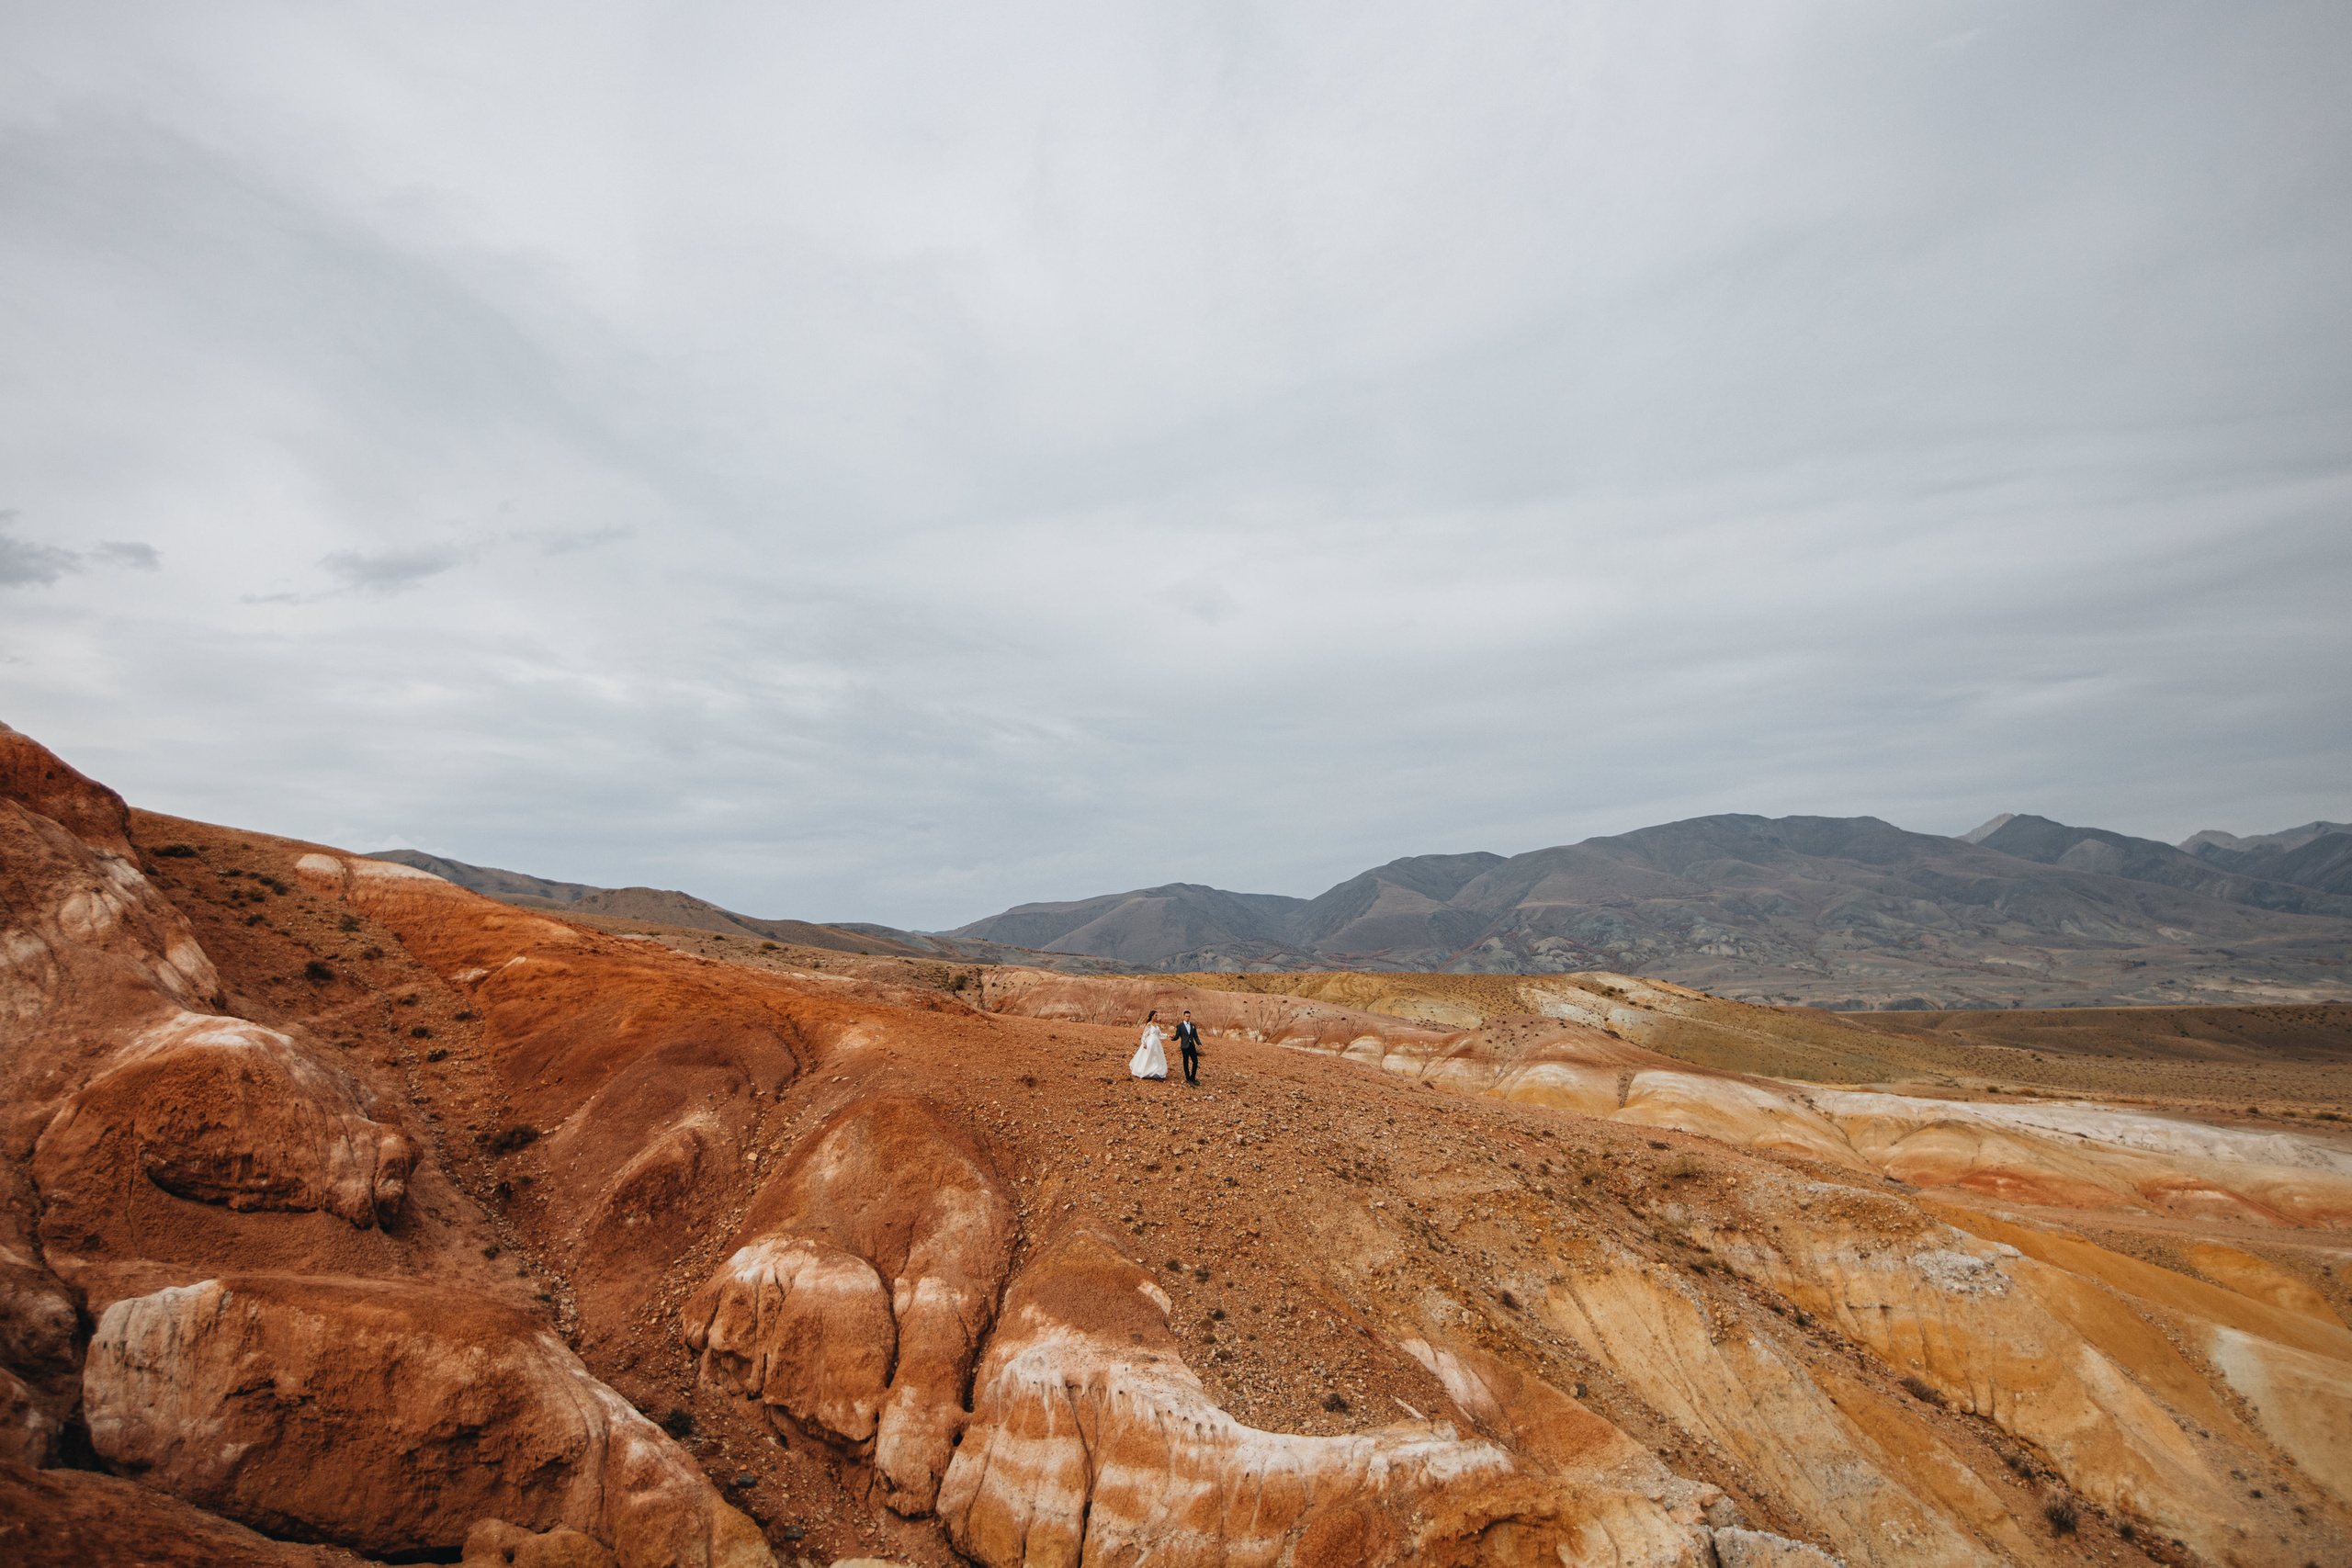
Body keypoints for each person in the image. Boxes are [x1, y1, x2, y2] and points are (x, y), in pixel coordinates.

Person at [1129, 1010, 1169, 1080]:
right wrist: (1144, 1043)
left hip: (1156, 1043)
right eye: (1156, 1015)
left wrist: (1167, 1035)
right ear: (1152, 1016)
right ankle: (1146, 1071)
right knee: (1149, 1056)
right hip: (1150, 1042)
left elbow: (1159, 1034)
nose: (1157, 1017)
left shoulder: (1156, 1025)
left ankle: (1156, 1071)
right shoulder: (1149, 1024)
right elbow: (1144, 1035)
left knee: (1157, 1057)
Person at [1173, 1010, 1203, 1086]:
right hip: (1184, 1046)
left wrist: (1199, 1044)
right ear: (1183, 1016)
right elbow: (1177, 1036)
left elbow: (1195, 1036)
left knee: (1195, 1061)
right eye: (1186, 1016)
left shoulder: (1192, 1026)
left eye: (1189, 1016)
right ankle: (1188, 1078)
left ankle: (1193, 1078)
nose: (1188, 1018)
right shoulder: (1180, 1026)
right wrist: (1173, 1038)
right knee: (1185, 1062)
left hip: (1191, 1045)